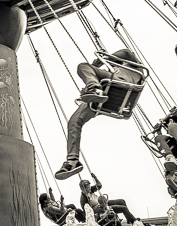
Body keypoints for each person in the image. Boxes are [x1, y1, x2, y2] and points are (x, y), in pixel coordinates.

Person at [55, 50, 144, 179]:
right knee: (74, 121)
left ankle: (94, 88)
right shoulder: (113, 72)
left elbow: (126, 53)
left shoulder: (132, 65)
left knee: (83, 66)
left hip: (119, 85)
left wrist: (101, 61)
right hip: (109, 95)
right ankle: (72, 161)